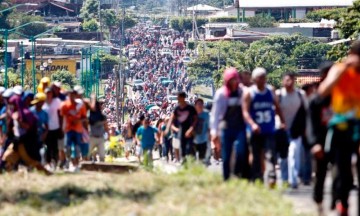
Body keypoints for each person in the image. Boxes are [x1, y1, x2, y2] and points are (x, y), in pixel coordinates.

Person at [318, 41, 360, 216]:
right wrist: (343, 70)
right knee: (342, 168)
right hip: (341, 125)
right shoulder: (339, 69)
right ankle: (342, 202)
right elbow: (323, 91)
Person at [242, 67, 286, 187]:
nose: (262, 80)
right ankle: (257, 179)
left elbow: (277, 107)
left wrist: (282, 121)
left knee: (270, 154)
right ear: (254, 79)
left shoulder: (270, 90)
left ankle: (272, 178)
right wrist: (252, 124)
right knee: (256, 156)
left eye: (264, 77)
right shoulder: (249, 93)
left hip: (269, 129)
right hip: (255, 130)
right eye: (259, 78)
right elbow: (245, 112)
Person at [211, 67, 249, 180]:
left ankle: (238, 174)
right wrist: (214, 132)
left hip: (240, 127)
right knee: (226, 155)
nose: (233, 82)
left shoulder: (242, 91)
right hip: (226, 127)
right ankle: (226, 177)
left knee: (241, 151)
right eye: (231, 79)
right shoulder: (221, 94)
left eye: (235, 79)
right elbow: (215, 114)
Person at [307, 61, 335, 214]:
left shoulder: (341, 97)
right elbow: (310, 125)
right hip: (320, 141)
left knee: (341, 173)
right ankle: (319, 201)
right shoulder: (316, 100)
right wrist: (314, 144)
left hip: (339, 140)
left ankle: (339, 200)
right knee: (321, 174)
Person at [276, 72, 308, 188]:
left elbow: (307, 112)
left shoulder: (300, 95)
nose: (289, 82)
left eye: (291, 80)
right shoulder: (278, 95)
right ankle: (284, 179)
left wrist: (305, 127)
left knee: (294, 153)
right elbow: (273, 111)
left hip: (296, 130)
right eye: (286, 80)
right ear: (283, 81)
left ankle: (293, 179)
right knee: (283, 157)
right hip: (282, 130)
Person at [60, 89, 87, 170]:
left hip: (78, 130)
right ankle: (68, 161)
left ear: (76, 96)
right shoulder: (65, 105)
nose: (72, 96)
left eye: (73, 95)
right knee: (67, 147)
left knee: (77, 147)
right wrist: (62, 128)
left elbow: (84, 118)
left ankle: (77, 164)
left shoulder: (80, 105)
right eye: (70, 95)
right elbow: (62, 117)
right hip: (68, 129)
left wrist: (78, 121)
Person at [169, 92, 197, 161]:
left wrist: (191, 129)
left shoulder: (190, 108)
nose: (177, 98)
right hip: (181, 131)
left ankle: (192, 162)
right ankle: (184, 163)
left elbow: (195, 120)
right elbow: (172, 120)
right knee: (182, 148)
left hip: (190, 131)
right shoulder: (177, 108)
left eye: (178, 97)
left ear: (183, 98)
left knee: (190, 148)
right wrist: (174, 129)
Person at [43, 87, 63, 167]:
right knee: (48, 146)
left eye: (50, 93)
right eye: (47, 93)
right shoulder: (43, 103)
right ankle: (48, 162)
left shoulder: (57, 101)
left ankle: (55, 161)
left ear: (52, 94)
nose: (48, 95)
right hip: (46, 128)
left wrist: (61, 126)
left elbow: (60, 114)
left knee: (55, 146)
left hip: (56, 127)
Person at [30, 93, 49, 164]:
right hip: (31, 135)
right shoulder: (31, 111)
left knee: (40, 151)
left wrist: (45, 134)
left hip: (40, 136)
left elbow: (47, 127)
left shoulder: (44, 113)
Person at [89, 95, 108, 162]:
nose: (101, 106)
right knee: (86, 156)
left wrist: (109, 135)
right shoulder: (90, 115)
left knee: (102, 157)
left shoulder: (103, 116)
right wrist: (93, 98)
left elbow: (106, 127)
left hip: (100, 138)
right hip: (91, 137)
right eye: (100, 104)